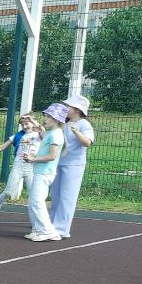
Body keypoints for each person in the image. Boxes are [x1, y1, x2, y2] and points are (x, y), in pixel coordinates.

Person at [49, 95, 95, 239]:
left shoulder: (84, 124)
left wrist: (76, 131)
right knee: (55, 195)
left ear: (77, 110)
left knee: (67, 196)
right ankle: (50, 225)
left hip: (74, 164)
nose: (65, 109)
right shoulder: (62, 123)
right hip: (59, 162)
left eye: (68, 107)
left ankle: (62, 228)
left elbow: (87, 142)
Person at [22, 104, 69, 242]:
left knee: (37, 202)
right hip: (40, 171)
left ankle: (48, 231)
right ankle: (38, 229)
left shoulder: (56, 134)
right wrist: (38, 126)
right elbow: (44, 136)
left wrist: (33, 158)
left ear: (57, 119)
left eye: (48, 117)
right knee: (33, 202)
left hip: (45, 173)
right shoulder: (51, 132)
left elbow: (52, 156)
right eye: (45, 116)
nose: (45, 119)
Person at [0, 114, 43, 224]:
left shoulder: (39, 135)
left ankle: (36, 221)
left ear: (33, 122)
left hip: (32, 167)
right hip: (18, 166)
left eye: (27, 123)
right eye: (22, 124)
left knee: (33, 195)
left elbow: (44, 132)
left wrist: (34, 121)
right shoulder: (18, 136)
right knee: (9, 191)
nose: (24, 126)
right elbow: (2, 146)